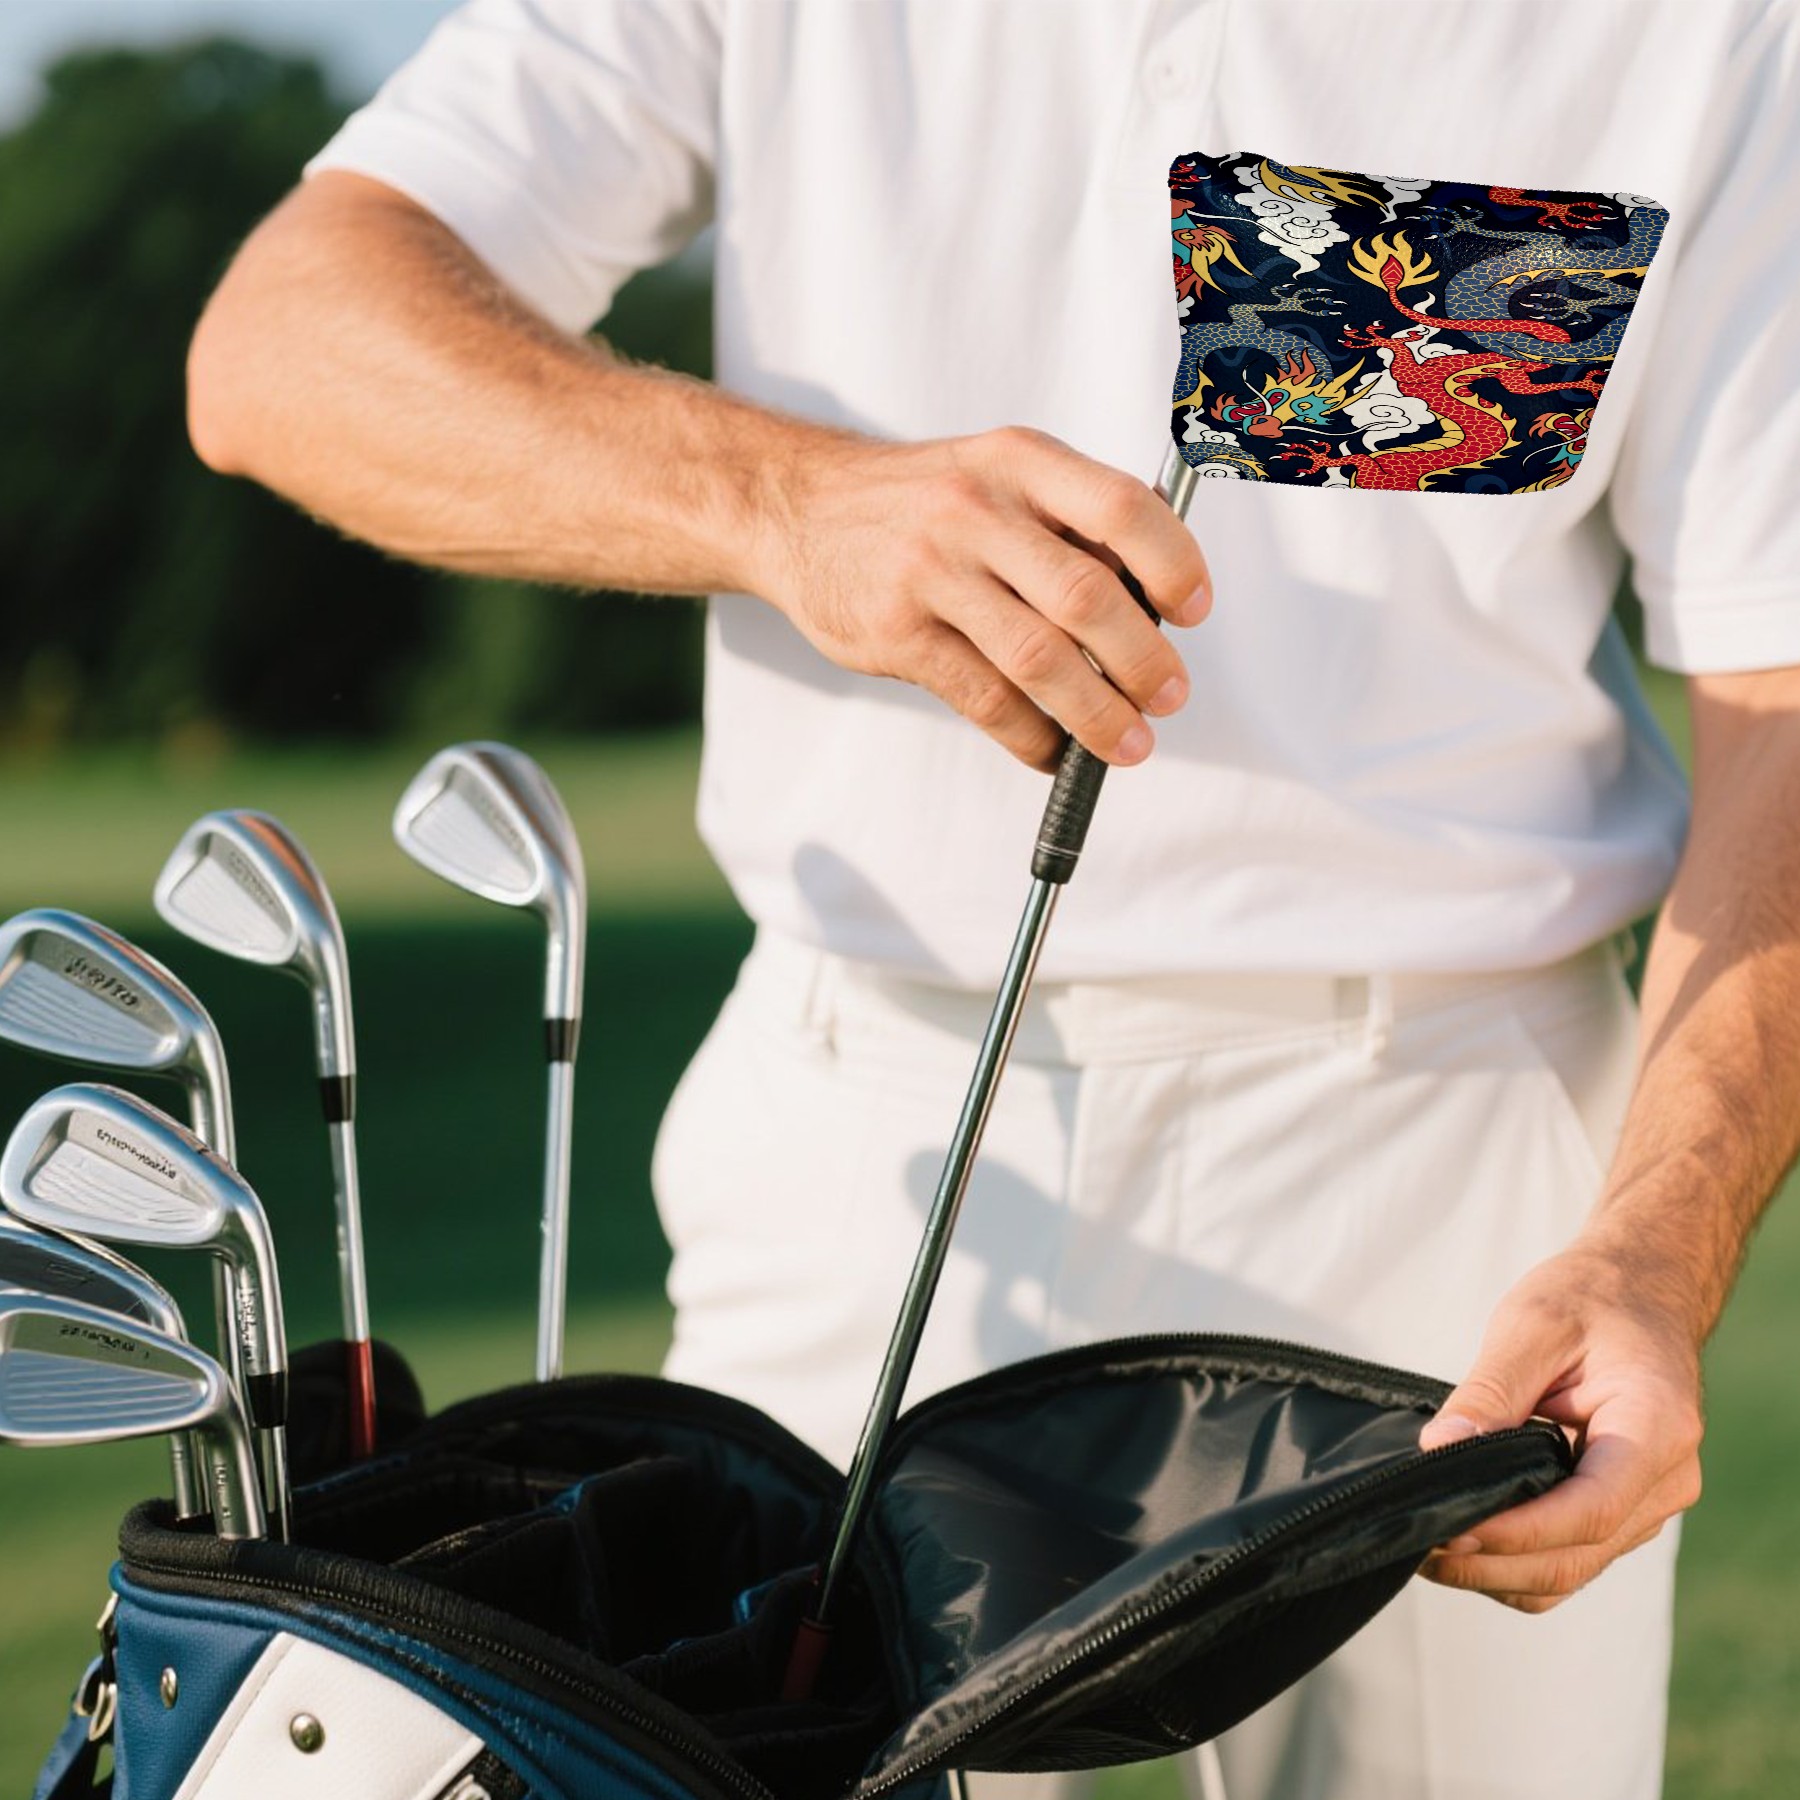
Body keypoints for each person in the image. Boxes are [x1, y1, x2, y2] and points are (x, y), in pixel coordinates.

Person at [184, 4, 1800, 1797]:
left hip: (1455, 1160)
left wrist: (1655, 1250)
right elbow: (284, 341)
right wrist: (790, 505)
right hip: (866, 1115)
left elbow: (1785, 698)